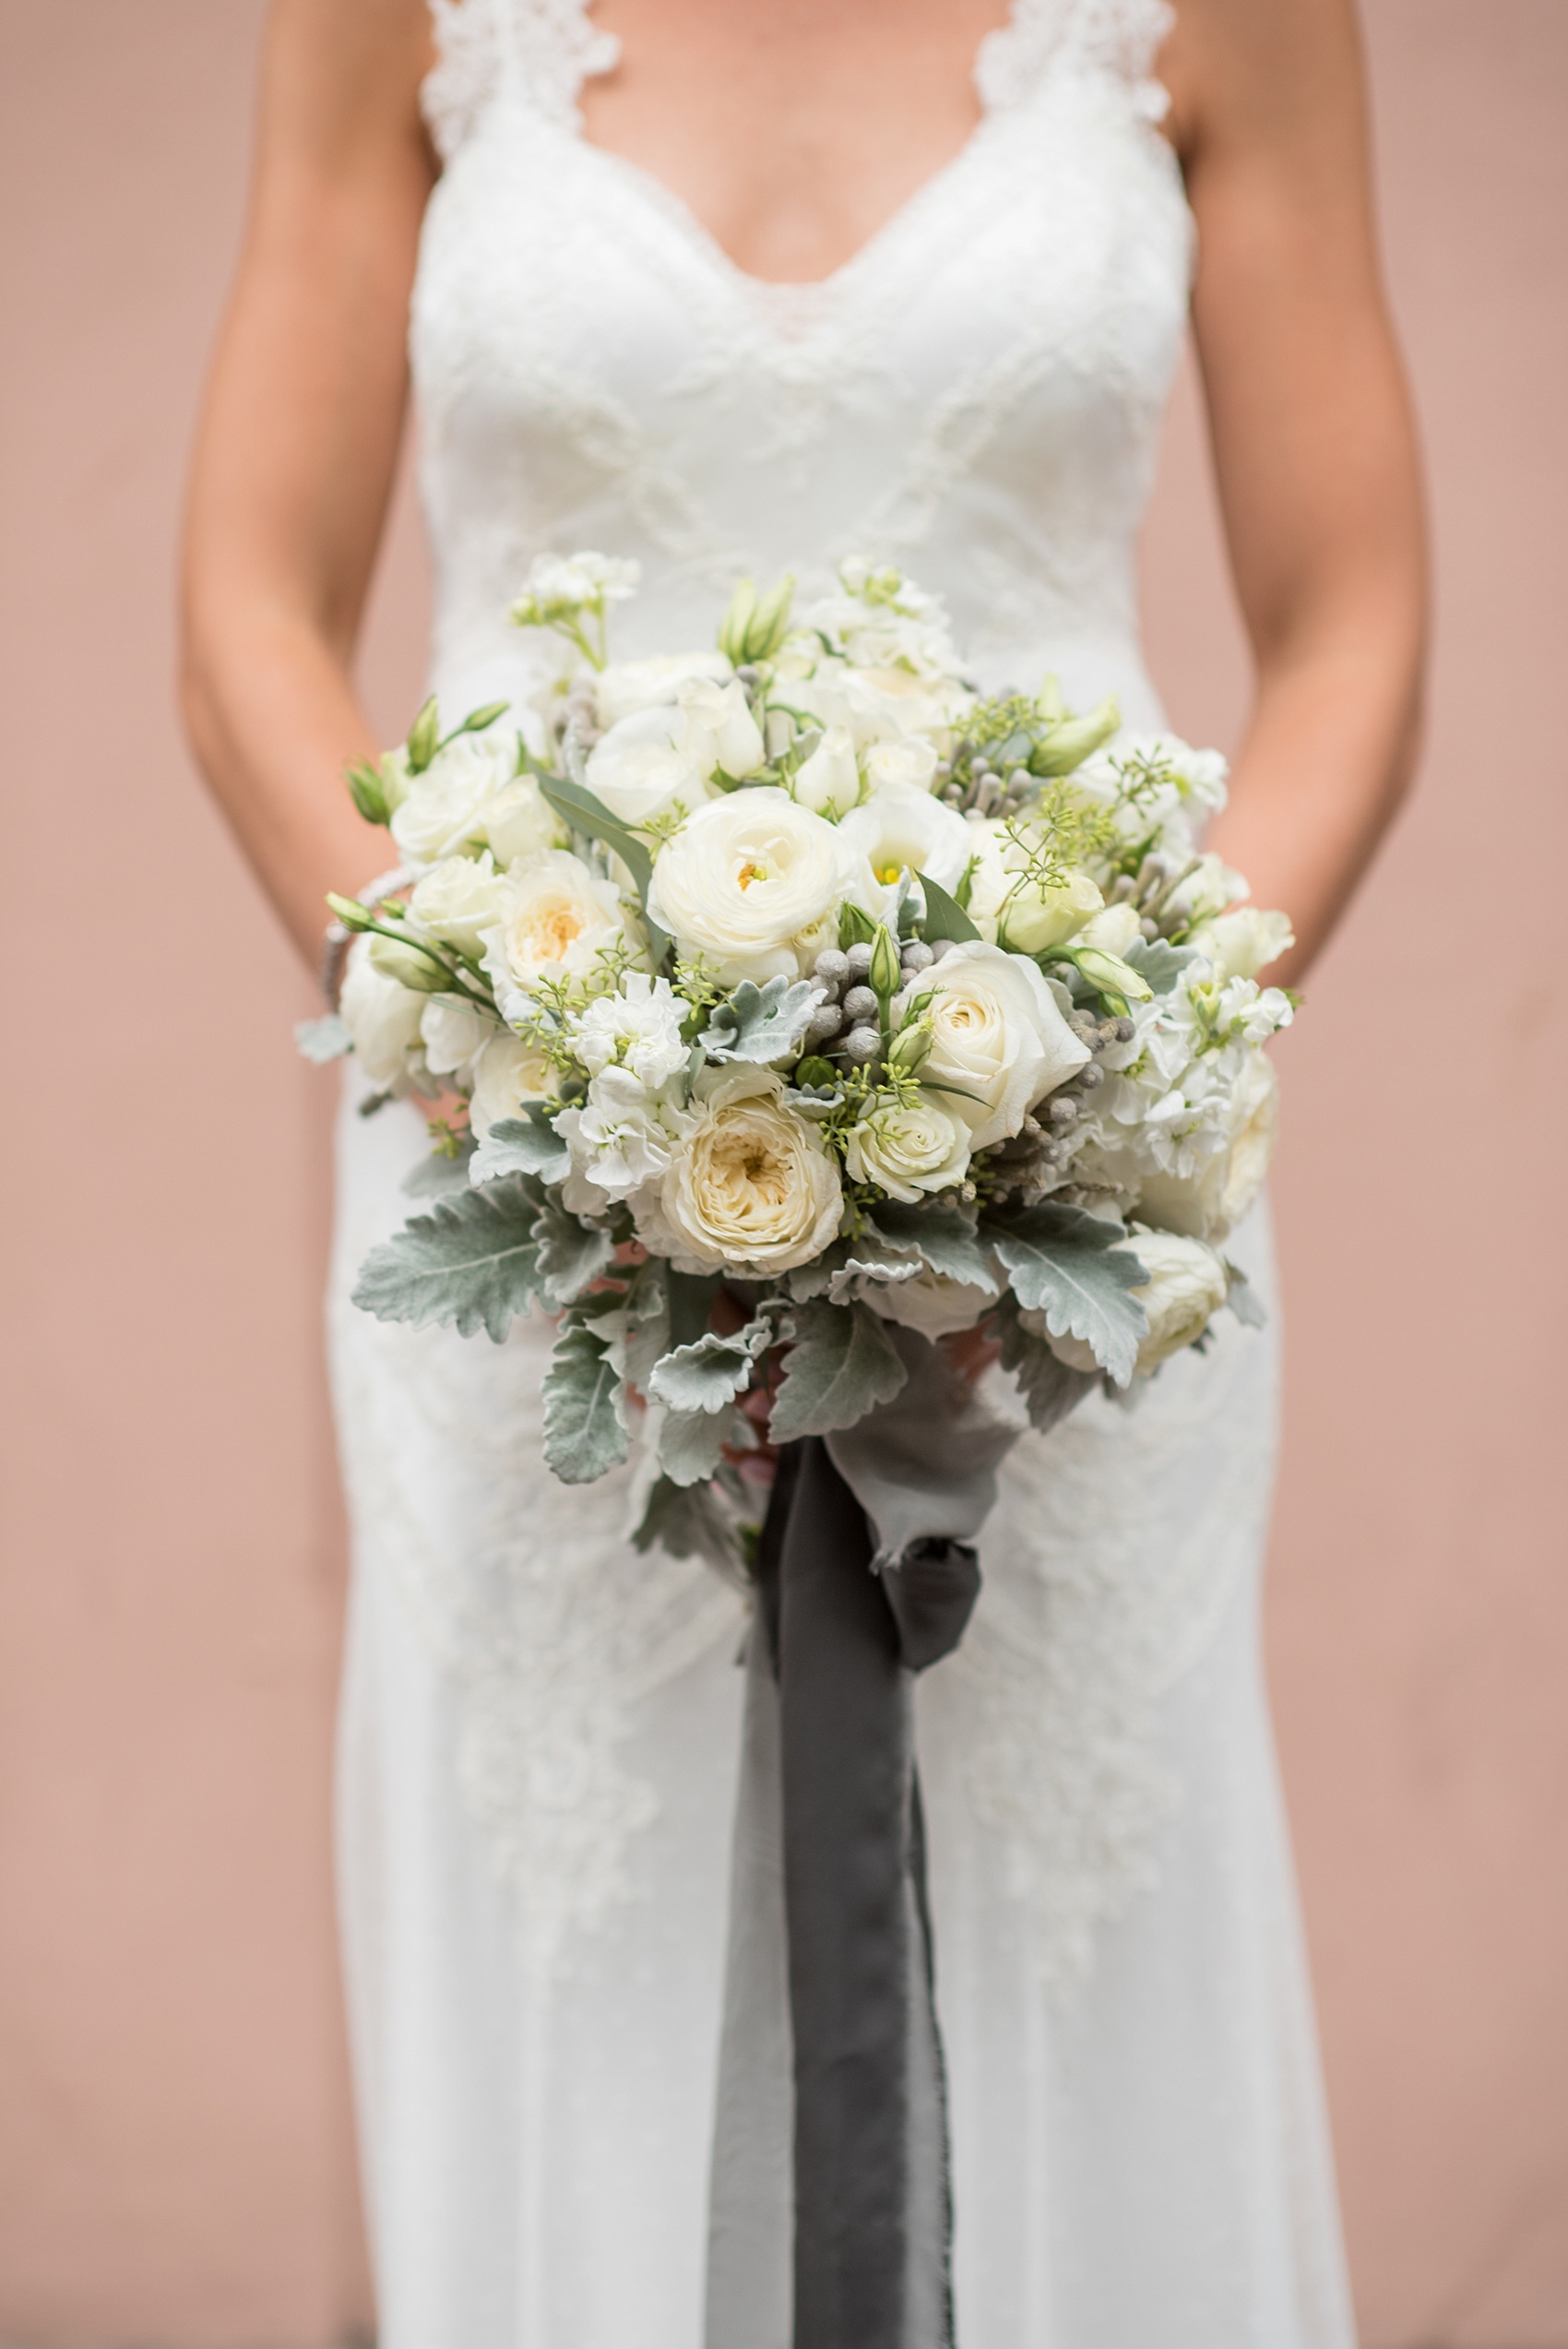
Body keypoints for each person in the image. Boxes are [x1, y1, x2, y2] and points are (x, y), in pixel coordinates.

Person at [180, 0, 1425, 2341]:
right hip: (527, 1201)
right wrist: (508, 1067)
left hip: (1063, 1221)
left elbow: (1354, 625)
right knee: (582, 1955)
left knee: (1070, 1932)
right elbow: (248, 605)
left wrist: (1104, 1085)